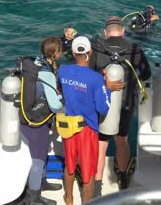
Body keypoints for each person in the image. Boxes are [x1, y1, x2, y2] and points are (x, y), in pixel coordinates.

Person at [89, 16, 151, 194]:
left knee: (101, 144)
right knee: (121, 140)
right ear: (123, 31)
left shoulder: (97, 49)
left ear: (105, 32)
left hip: (102, 103)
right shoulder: (135, 50)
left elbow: (90, 76)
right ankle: (122, 178)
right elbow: (146, 74)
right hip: (126, 103)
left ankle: (98, 186)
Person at [57, 36, 111, 204]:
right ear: (90, 52)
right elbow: (103, 108)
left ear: (73, 53)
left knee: (70, 165)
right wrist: (107, 88)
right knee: (88, 174)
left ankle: (69, 198)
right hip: (87, 129)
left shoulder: (62, 70)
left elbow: (60, 89)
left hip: (68, 126)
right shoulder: (96, 78)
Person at [20, 37, 64, 205]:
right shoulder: (47, 73)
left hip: (27, 118)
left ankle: (43, 182)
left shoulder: (35, 64)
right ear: (57, 53)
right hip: (37, 123)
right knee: (38, 159)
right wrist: (63, 101)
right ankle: (35, 197)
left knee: (43, 151)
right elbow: (54, 105)